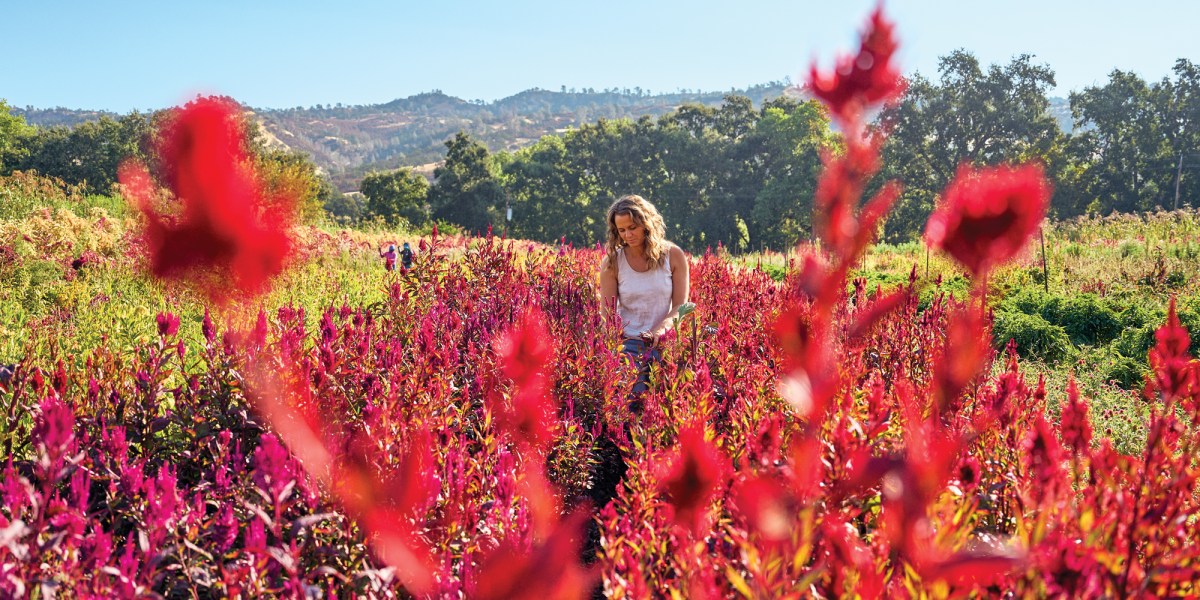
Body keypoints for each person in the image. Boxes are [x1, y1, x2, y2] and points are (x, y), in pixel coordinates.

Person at [598, 194, 690, 396]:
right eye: (621, 230)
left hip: (664, 342)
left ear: (647, 224)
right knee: (635, 405)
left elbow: (680, 307)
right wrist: (611, 350)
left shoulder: (673, 256)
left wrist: (662, 330)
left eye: (632, 227)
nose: (627, 235)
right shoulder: (613, 263)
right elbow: (608, 314)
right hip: (628, 345)